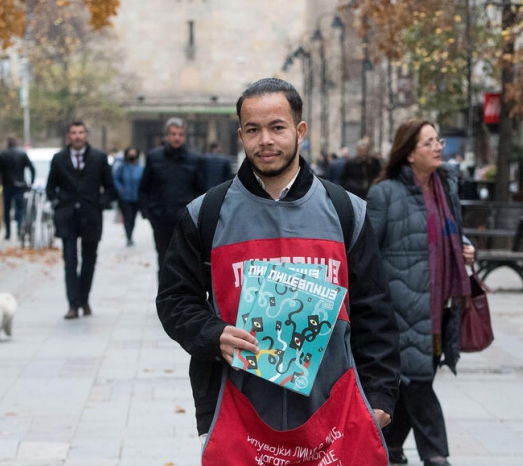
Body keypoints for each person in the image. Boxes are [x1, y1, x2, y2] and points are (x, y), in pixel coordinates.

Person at [156, 78, 399, 465]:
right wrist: (211, 334)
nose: (265, 140)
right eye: (253, 130)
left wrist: (381, 395)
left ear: (299, 131)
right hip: (237, 409)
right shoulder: (206, 214)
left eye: (277, 127)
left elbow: (376, 310)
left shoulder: (346, 211)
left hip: (333, 411)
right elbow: (174, 300)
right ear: (240, 135)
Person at [366, 119, 475, 466]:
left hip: (439, 305)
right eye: (429, 143)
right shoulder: (385, 194)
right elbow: (366, 253)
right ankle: (436, 455)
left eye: (438, 140)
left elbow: (451, 234)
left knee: (409, 383)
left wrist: (466, 247)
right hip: (401, 309)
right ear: (410, 153)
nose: (438, 147)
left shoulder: (445, 188)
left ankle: (388, 447)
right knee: (418, 382)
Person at [46, 121, 116, 320]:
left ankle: (84, 299)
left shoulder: (99, 158)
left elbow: (110, 187)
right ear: (68, 136)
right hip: (67, 216)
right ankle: (73, 304)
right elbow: (51, 187)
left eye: (80, 132)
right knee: (70, 260)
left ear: (86, 135)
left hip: (91, 215)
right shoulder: (58, 159)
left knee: (89, 260)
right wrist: (57, 203)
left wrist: (100, 203)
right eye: (73, 133)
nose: (77, 136)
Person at [138, 117, 204, 275]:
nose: (176, 137)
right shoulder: (154, 157)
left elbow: (200, 190)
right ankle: (164, 298)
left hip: (185, 220)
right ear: (166, 136)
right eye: (173, 134)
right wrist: (148, 212)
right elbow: (145, 187)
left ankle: (181, 298)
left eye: (180, 134)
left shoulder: (194, 160)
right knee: (164, 260)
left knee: (186, 262)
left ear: (184, 136)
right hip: (161, 218)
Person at [0, 137, 35, 240]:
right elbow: (32, 169)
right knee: (19, 208)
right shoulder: (22, 154)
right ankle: (19, 228)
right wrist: (31, 182)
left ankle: (8, 232)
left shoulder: (2, 154)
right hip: (19, 185)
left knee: (6, 209)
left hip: (7, 184)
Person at [113, 147, 144, 246]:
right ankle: (128, 236)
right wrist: (120, 189)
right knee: (127, 217)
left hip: (136, 197)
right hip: (125, 197)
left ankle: (130, 234)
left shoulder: (140, 168)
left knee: (133, 218)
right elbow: (115, 178)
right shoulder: (122, 167)